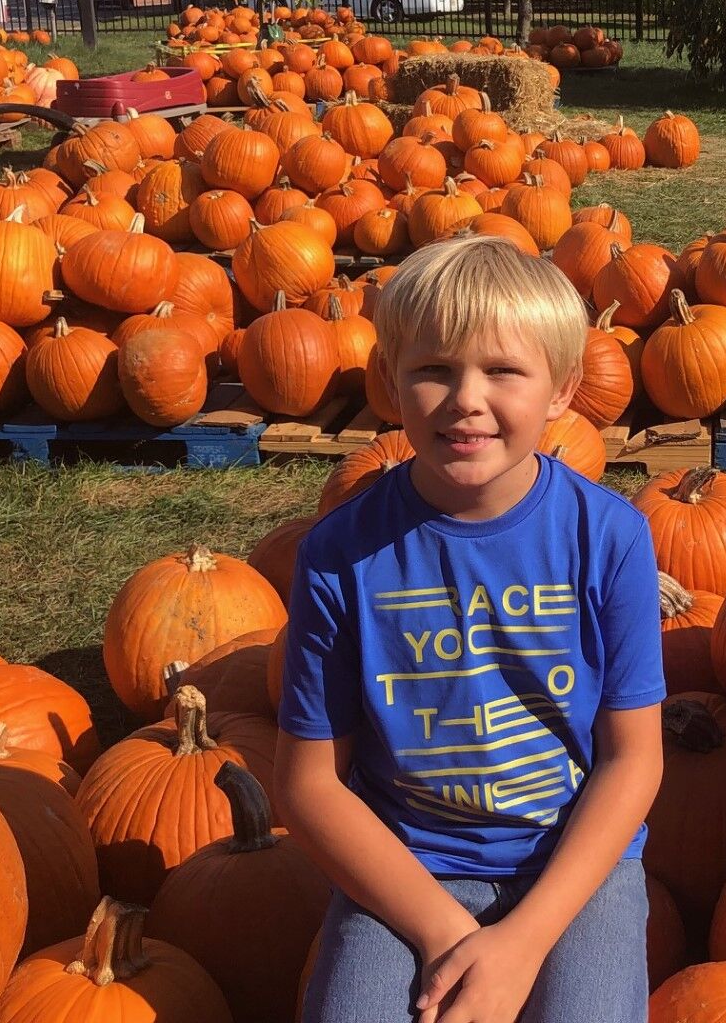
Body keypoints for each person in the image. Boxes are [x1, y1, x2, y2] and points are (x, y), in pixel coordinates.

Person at [275, 236, 665, 1023]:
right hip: (409, 862)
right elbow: (308, 783)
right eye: (433, 370)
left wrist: (521, 943)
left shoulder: (610, 538)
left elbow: (632, 761)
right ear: (388, 382)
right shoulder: (339, 555)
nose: (465, 399)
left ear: (562, 390)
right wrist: (447, 933)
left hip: (573, 861)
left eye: (503, 371)